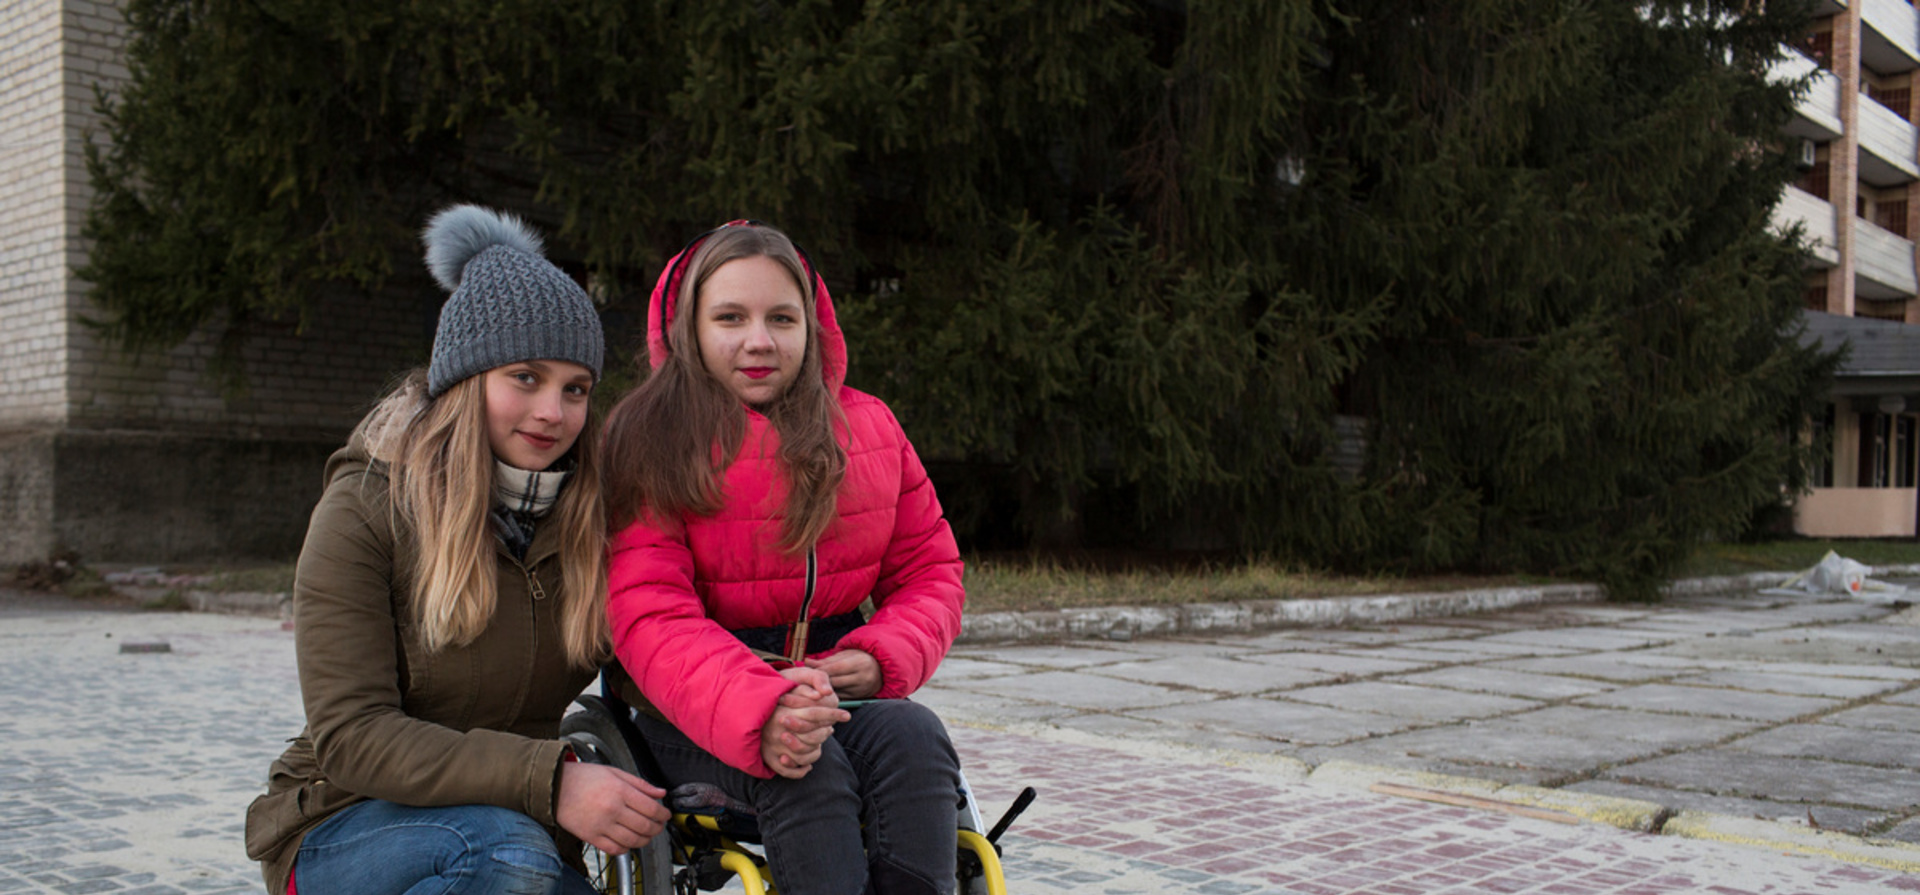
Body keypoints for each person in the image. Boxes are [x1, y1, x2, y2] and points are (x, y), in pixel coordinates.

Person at [243, 205, 670, 895]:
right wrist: (552, 778)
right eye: (525, 378)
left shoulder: (591, 517)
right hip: (346, 824)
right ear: (466, 381)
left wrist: (766, 691)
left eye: (575, 389)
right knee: (504, 854)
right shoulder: (366, 508)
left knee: (516, 858)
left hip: (517, 828)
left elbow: (654, 654)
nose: (551, 412)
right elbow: (352, 735)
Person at [601, 221, 967, 895]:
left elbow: (931, 572)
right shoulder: (646, 441)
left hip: (827, 680)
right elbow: (650, 614)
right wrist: (761, 708)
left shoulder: (870, 430)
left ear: (813, 326)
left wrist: (883, 654)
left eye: (781, 318)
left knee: (915, 739)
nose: (760, 340)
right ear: (689, 327)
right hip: (685, 700)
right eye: (730, 317)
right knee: (807, 770)